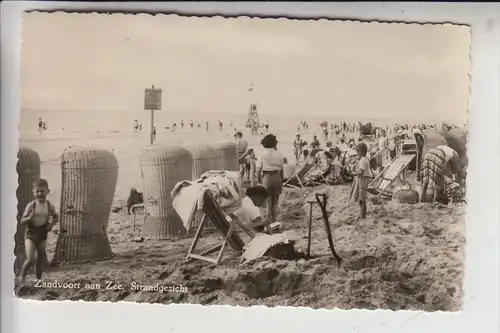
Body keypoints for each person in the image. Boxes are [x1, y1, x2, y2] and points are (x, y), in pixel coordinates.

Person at [19, 178, 59, 282]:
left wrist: (50, 225)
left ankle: (38, 280)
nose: (40, 193)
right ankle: (22, 275)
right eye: (37, 191)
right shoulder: (31, 205)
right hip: (31, 234)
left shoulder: (50, 205)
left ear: (48, 191)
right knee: (30, 259)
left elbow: (56, 217)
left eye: (42, 191)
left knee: (40, 260)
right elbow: (22, 221)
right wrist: (30, 217)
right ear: (33, 192)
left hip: (42, 234)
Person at [256, 134, 284, 223]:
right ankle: (275, 221)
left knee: (268, 203)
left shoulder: (263, 154)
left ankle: (269, 222)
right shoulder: (279, 154)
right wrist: (281, 179)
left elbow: (258, 169)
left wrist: (258, 179)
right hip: (277, 176)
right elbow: (282, 169)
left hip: (267, 177)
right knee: (275, 203)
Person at [349, 143, 374, 219]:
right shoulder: (365, 159)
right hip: (364, 179)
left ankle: (362, 216)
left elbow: (360, 172)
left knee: (362, 199)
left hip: (362, 180)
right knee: (362, 199)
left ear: (362, 152)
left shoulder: (362, 160)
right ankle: (362, 215)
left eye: (358, 151)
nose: (357, 153)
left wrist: (353, 173)